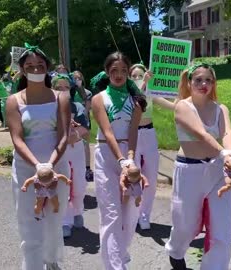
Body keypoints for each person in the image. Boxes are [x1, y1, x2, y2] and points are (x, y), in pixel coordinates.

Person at [165, 63, 231, 270]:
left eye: (208, 80)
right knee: (185, 225)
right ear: (189, 83)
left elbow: (227, 133)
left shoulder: (220, 108)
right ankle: (176, 251)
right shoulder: (182, 106)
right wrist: (223, 153)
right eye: (198, 80)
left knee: (221, 229)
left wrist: (230, 153)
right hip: (189, 171)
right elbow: (202, 134)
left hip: (216, 171)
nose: (203, 84)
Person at [6, 43, 71, 270]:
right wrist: (37, 166)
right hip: (26, 168)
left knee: (54, 219)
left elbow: (63, 136)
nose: (35, 70)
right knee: (29, 222)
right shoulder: (14, 100)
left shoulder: (61, 97)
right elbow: (17, 138)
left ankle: (51, 260)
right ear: (22, 70)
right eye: (30, 66)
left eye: (40, 66)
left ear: (47, 68)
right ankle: (32, 265)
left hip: (57, 166)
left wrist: (50, 165)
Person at [91, 52, 148, 270]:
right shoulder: (99, 99)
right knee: (111, 214)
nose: (119, 75)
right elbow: (107, 132)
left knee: (131, 212)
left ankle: (120, 254)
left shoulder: (135, 101)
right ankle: (114, 266)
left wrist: (131, 158)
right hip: (107, 154)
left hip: (129, 153)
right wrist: (122, 160)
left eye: (123, 71)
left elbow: (133, 131)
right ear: (107, 72)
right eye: (114, 70)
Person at [128, 63, 176, 230]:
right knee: (132, 176)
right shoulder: (127, 93)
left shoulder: (150, 92)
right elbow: (135, 99)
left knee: (151, 178)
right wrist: (143, 84)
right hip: (132, 135)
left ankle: (144, 215)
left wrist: (186, 96)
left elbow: (173, 105)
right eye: (133, 76)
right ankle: (131, 214)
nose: (137, 78)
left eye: (140, 75)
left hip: (148, 134)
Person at [51, 75, 90, 238]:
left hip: (76, 149)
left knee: (79, 186)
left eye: (65, 87)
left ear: (71, 89)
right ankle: (65, 221)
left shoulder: (77, 107)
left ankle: (77, 210)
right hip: (58, 150)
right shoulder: (48, 108)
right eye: (58, 88)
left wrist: (73, 133)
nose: (62, 91)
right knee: (63, 184)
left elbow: (84, 129)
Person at [72, 70, 94, 182]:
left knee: (85, 145)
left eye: (79, 78)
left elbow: (87, 108)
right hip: (71, 122)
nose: (77, 80)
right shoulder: (70, 92)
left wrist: (82, 121)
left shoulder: (87, 93)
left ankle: (87, 168)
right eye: (74, 78)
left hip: (84, 121)